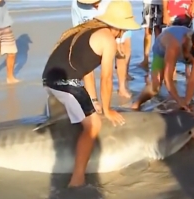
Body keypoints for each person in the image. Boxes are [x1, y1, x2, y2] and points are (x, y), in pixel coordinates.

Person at [42, 1, 140, 187]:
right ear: (119, 26)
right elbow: (106, 78)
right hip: (64, 82)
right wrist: (107, 109)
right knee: (93, 125)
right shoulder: (108, 40)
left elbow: (82, 65)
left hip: (50, 78)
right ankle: (77, 179)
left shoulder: (88, 30)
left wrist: (94, 102)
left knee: (85, 112)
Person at [130, 26, 194, 137]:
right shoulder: (173, 45)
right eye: (193, 55)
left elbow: (193, 79)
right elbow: (168, 79)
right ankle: (137, 103)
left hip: (187, 49)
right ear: (188, 46)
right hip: (161, 51)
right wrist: (179, 100)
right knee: (156, 86)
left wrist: (186, 102)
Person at [71, 0, 135, 102]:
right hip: (92, 33)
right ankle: (93, 99)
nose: (95, 5)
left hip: (115, 26)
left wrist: (118, 40)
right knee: (86, 63)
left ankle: (122, 88)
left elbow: (119, 19)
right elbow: (78, 28)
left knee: (120, 53)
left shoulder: (111, 3)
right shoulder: (76, 4)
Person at [162, 0, 194, 80]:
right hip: (172, 13)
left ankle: (187, 69)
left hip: (186, 12)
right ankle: (172, 69)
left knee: (188, 42)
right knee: (172, 42)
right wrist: (165, 12)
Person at [139, 0, 164, 70]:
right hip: (148, 2)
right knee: (148, 31)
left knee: (158, 32)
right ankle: (146, 59)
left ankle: (157, 59)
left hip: (161, 3)